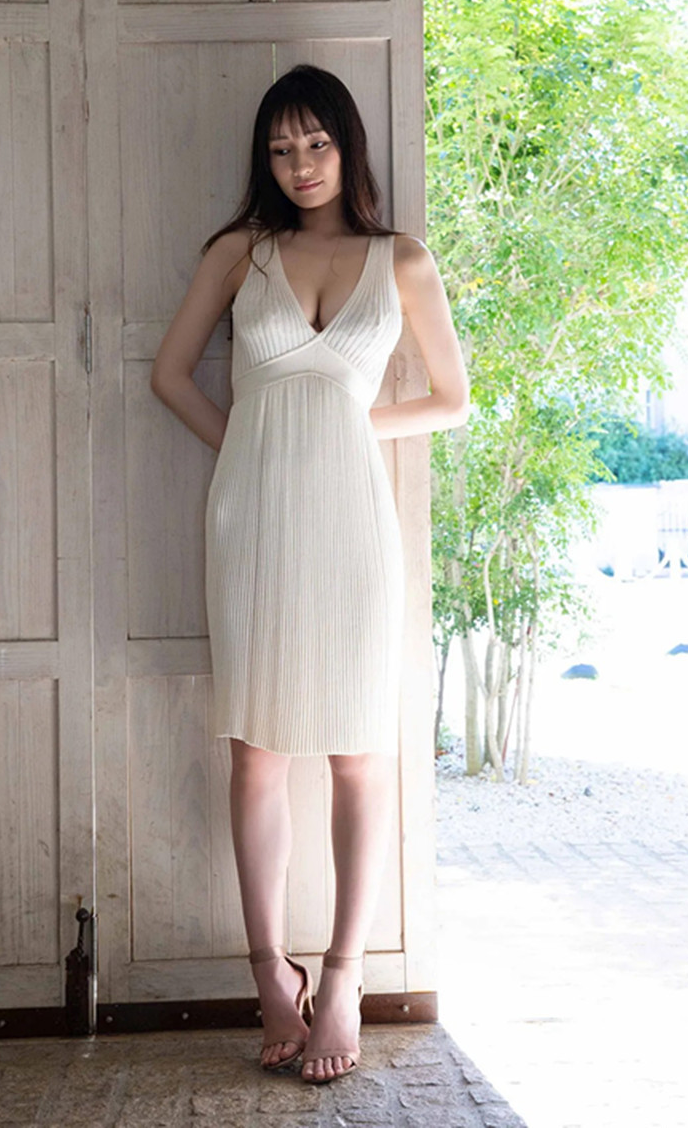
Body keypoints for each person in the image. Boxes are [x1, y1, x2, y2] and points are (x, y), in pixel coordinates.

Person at [151, 63, 469, 1084]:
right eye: (282, 149)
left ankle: (341, 979)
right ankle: (267, 974)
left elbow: (452, 398)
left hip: (353, 524)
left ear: (347, 145)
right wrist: (248, 447)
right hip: (252, 519)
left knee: (357, 752)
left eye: (317, 143)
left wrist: (345, 427)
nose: (300, 164)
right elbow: (169, 375)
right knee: (255, 753)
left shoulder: (401, 260)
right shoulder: (239, 254)